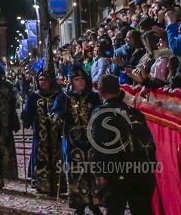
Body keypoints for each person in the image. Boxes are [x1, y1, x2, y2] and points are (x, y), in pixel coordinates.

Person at [88, 75, 157, 215]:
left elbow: (98, 145)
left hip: (116, 173)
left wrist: (99, 173)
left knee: (114, 210)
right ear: (119, 90)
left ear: (100, 91)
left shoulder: (100, 113)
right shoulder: (135, 113)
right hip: (142, 170)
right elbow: (149, 144)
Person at [52, 66, 102, 213]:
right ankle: (79, 204)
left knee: (93, 171)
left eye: (82, 79)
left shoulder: (93, 97)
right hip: (73, 142)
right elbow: (54, 116)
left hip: (91, 142)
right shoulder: (63, 98)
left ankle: (95, 203)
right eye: (76, 79)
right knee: (75, 171)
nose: (80, 82)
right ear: (71, 82)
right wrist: (60, 116)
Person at [22, 71, 63, 196]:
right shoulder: (33, 96)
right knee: (40, 157)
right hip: (40, 133)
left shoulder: (58, 96)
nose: (43, 82)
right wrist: (25, 117)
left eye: (45, 80)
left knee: (56, 157)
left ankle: (58, 185)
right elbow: (28, 114)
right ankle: (42, 184)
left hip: (55, 133)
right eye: (40, 80)